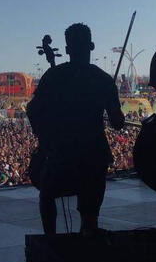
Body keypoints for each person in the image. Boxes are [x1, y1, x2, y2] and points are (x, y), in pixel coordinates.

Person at [27, 23, 125, 235]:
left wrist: (45, 137)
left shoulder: (54, 76)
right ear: (91, 46)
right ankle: (87, 244)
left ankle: (50, 241)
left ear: (68, 49)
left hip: (61, 150)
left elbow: (32, 110)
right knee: (90, 216)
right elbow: (117, 123)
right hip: (93, 153)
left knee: (47, 194)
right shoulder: (104, 80)